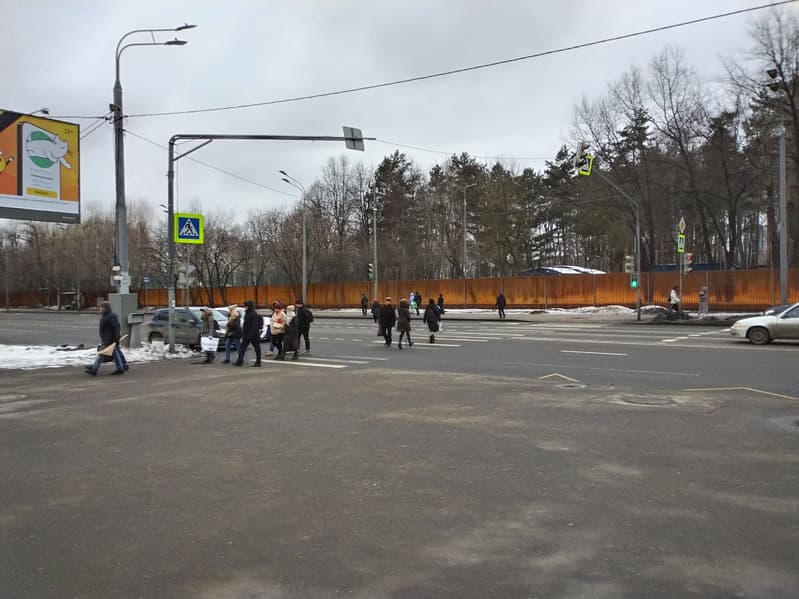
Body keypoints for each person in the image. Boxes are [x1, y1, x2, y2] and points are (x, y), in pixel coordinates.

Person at [86, 301, 128, 376]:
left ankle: (94, 369)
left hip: (109, 339)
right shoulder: (106, 315)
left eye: (101, 307)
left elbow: (116, 327)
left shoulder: (111, 316)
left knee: (102, 353)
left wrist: (116, 338)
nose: (100, 309)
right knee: (115, 352)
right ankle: (121, 368)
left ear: (105, 308)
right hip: (107, 338)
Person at [234, 300, 262, 367]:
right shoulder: (248, 313)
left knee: (256, 348)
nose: (245, 307)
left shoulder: (253, 314)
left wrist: (249, 335)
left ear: (249, 306)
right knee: (242, 348)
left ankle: (258, 362)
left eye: (246, 306)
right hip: (246, 334)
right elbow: (245, 325)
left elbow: (254, 326)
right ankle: (239, 361)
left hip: (253, 335)